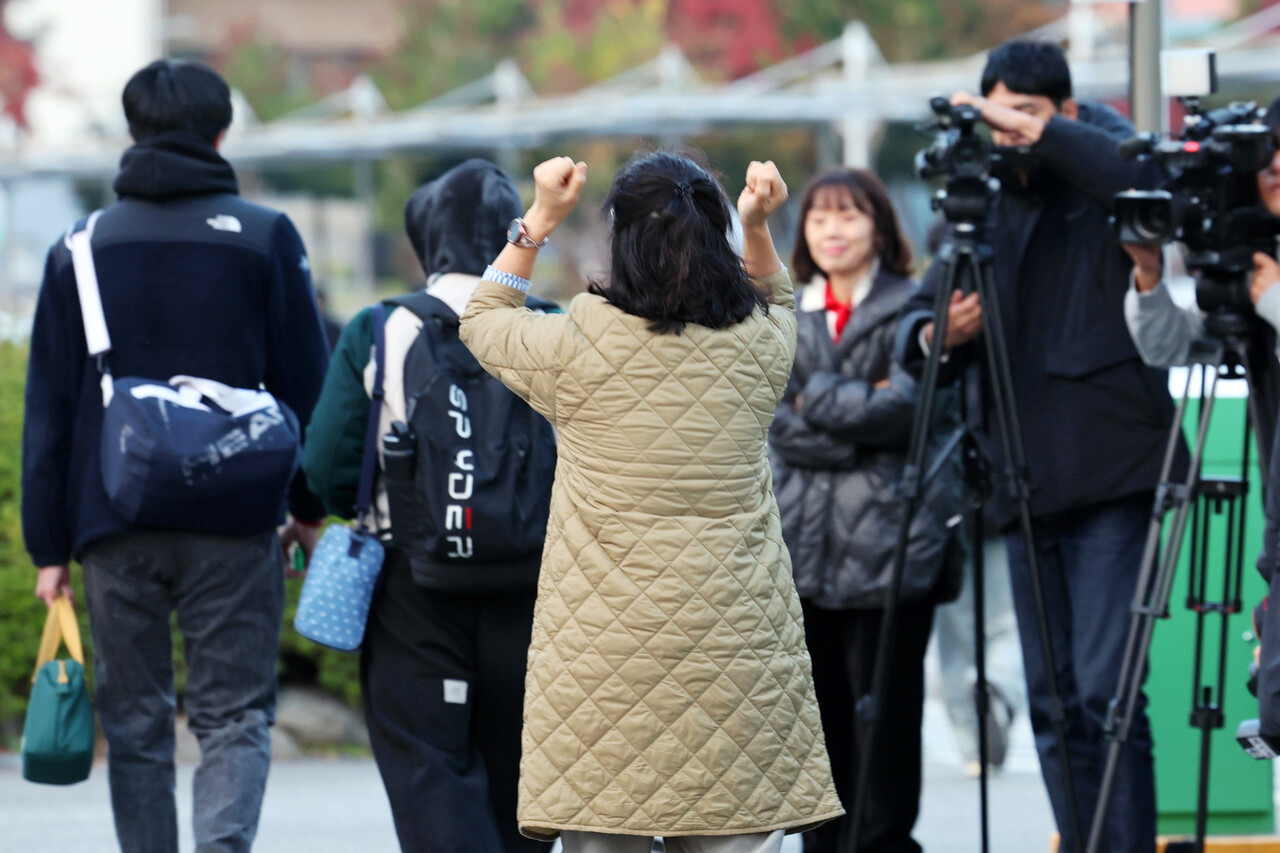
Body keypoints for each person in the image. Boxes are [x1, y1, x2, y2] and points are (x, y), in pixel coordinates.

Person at [457, 152, 844, 852]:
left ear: (623, 239)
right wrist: (758, 226)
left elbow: (484, 316)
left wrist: (541, 216)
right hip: (737, 651)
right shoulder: (760, 345)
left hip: (600, 661)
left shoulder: (576, 343)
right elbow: (780, 299)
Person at [22, 60, 330, 853]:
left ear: (133, 133)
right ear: (221, 134)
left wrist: (48, 547)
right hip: (237, 514)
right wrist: (307, 509)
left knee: (135, 720)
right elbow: (307, 386)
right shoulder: (264, 235)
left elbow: (49, 408)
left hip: (112, 517)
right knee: (235, 713)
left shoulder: (78, 248)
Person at [897, 40, 1182, 853]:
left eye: (1025, 114)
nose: (1007, 132)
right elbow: (916, 322)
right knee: (1054, 705)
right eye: (998, 114)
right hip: (1019, 482)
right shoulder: (982, 197)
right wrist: (936, 336)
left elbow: (1147, 181)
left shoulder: (1102, 169)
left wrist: (1035, 130)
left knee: (1105, 693)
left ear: (1066, 112)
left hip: (1113, 476)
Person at [302, 159, 556, 853]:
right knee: (523, 781)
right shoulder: (554, 326)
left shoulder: (380, 327)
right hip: (537, 591)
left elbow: (328, 468)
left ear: (428, 239)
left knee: (429, 770)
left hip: (414, 590)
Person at [768, 168, 963, 853]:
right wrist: (860, 413)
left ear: (880, 226)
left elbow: (909, 408)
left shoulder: (914, 307)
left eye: (849, 215)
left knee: (889, 723)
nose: (833, 230)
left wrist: (813, 399)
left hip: (894, 545)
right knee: (816, 727)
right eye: (819, 216)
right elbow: (774, 419)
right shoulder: (784, 310)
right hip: (806, 547)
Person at [1122, 96, 1280, 745]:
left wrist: (1274, 300)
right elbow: (1169, 345)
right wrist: (1148, 273)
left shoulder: (1268, 283)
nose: (1276, 167)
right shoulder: (1257, 265)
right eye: (1268, 154)